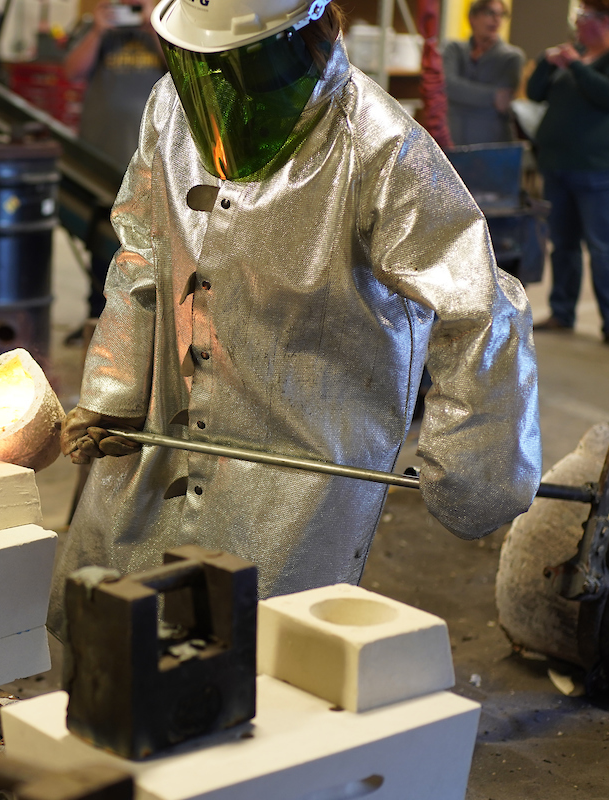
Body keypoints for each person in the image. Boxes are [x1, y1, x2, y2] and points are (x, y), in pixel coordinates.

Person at [51, 0, 541, 632]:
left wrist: (472, 470)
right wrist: (113, 393)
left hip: (296, 472)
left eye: (240, 66)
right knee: (114, 624)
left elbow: (479, 307)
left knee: (260, 656)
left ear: (304, 37)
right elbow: (142, 251)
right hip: (165, 433)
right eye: (207, 67)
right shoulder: (172, 107)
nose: (221, 87)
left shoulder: (379, 145)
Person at [527, 0, 609, 348]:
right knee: (563, 245)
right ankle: (562, 311)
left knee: (604, 248)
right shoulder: (574, 54)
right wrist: (546, 62)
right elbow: (535, 92)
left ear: (604, 21)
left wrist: (577, 65)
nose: (577, 25)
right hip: (558, 167)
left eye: (583, 18)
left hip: (603, 172)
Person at [65, 0, 167, 329]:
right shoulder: (99, 26)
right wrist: (97, 30)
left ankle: (145, 324)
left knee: (150, 240)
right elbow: (71, 71)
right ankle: (96, 320)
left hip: (152, 159)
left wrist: (153, 25)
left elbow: (178, 69)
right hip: (101, 155)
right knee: (101, 238)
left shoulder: (167, 26)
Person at [442, 0, 525, 145]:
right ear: (472, 17)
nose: (496, 20)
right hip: (455, 141)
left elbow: (503, 103)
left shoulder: (511, 57)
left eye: (501, 15)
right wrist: (492, 95)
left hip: (492, 144)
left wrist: (460, 95)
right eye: (489, 13)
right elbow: (447, 86)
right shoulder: (453, 49)